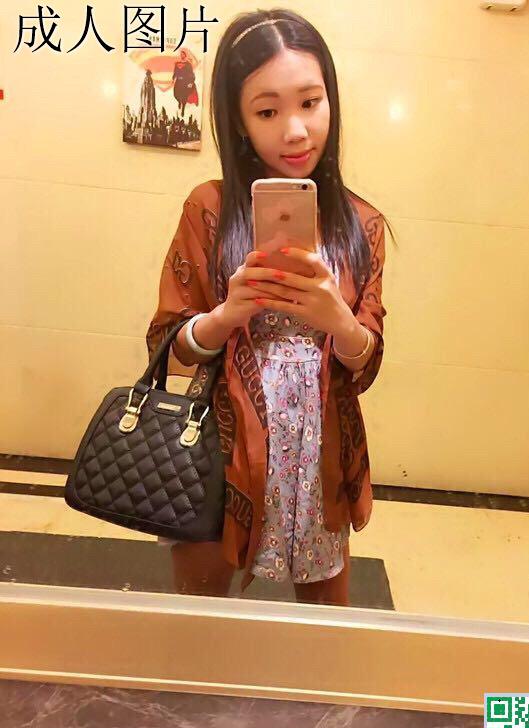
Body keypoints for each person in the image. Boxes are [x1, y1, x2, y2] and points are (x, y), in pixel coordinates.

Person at [146, 9, 394, 607]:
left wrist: (339, 323)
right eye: (267, 111)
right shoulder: (208, 209)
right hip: (220, 452)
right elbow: (168, 348)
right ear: (238, 121)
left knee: (323, 632)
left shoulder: (362, 224)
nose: (296, 131)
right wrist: (226, 315)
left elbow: (366, 364)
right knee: (200, 621)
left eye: (310, 102)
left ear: (331, 100)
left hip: (319, 456)